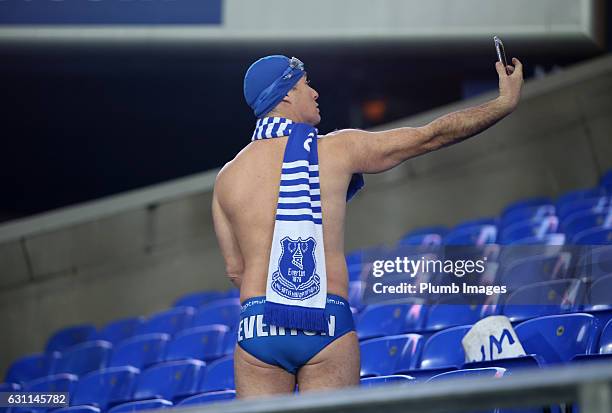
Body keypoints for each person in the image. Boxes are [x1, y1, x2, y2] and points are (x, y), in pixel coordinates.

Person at [212, 54, 523, 398]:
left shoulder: (228, 177)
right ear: (285, 94)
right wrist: (503, 103)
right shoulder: (335, 149)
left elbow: (235, 271)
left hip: (259, 326)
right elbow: (429, 137)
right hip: (324, 320)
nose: (315, 93)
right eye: (306, 85)